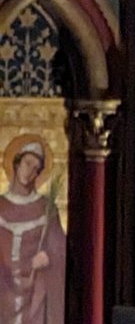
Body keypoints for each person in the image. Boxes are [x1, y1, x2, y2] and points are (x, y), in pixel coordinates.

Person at [0, 139, 64, 324]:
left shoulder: (46, 208)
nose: (30, 172)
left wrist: (48, 256)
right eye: (27, 164)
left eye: (36, 169)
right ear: (17, 163)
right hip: (3, 289)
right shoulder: (1, 205)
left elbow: (60, 250)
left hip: (35, 293)